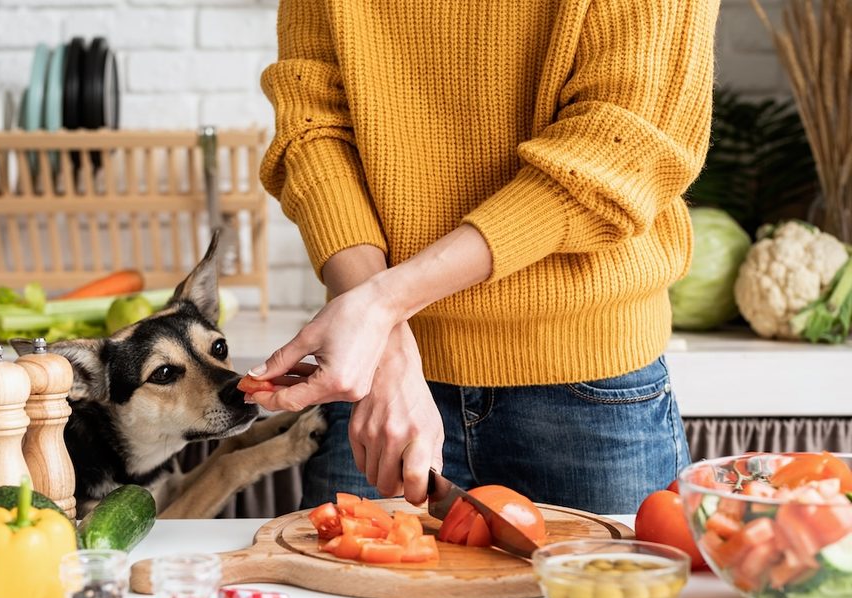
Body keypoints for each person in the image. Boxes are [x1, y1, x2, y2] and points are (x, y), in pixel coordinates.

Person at [248, 0, 718, 515]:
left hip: (587, 389)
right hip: (379, 380)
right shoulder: (381, 351)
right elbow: (312, 128)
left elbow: (619, 148)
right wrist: (385, 346)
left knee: (601, 596)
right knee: (346, 593)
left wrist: (381, 309)